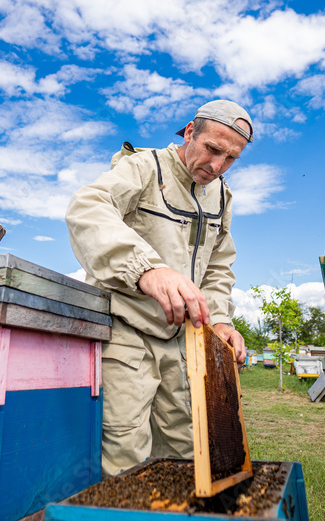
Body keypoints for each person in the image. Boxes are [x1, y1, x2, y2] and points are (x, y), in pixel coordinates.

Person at [65, 99, 251, 477]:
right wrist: (146, 269)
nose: (217, 166)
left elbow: (217, 265)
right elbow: (87, 207)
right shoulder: (143, 166)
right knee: (125, 452)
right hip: (126, 329)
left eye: (230, 158)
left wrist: (221, 322)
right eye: (212, 149)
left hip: (184, 341)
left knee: (188, 447)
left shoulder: (222, 196)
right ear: (188, 132)